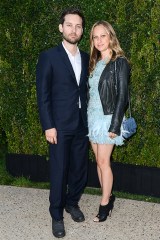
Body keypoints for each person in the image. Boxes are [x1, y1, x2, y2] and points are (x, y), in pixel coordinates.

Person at [36, 7, 89, 238]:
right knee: (59, 171)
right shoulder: (49, 57)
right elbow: (43, 94)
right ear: (61, 28)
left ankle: (72, 203)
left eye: (78, 26)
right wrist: (48, 125)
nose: (73, 30)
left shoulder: (87, 57)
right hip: (58, 125)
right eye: (69, 25)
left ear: (82, 30)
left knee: (79, 169)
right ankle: (56, 215)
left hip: (82, 124)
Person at [87, 21, 130, 222]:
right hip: (92, 117)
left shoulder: (119, 62)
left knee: (104, 162)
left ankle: (105, 204)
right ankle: (108, 195)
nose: (99, 40)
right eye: (95, 37)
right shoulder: (94, 62)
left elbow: (122, 96)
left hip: (107, 119)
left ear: (111, 37)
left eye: (103, 36)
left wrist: (115, 125)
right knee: (99, 161)